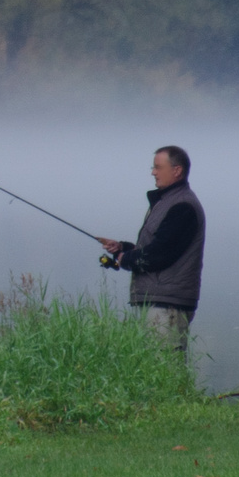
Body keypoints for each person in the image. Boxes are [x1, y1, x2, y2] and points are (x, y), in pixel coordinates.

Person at [97, 145, 203, 352]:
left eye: (157, 167)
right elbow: (158, 247)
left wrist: (124, 258)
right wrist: (123, 248)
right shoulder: (167, 202)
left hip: (168, 304)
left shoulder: (183, 206)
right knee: (155, 369)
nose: (153, 172)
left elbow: (159, 255)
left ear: (177, 170)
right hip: (160, 301)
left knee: (167, 370)